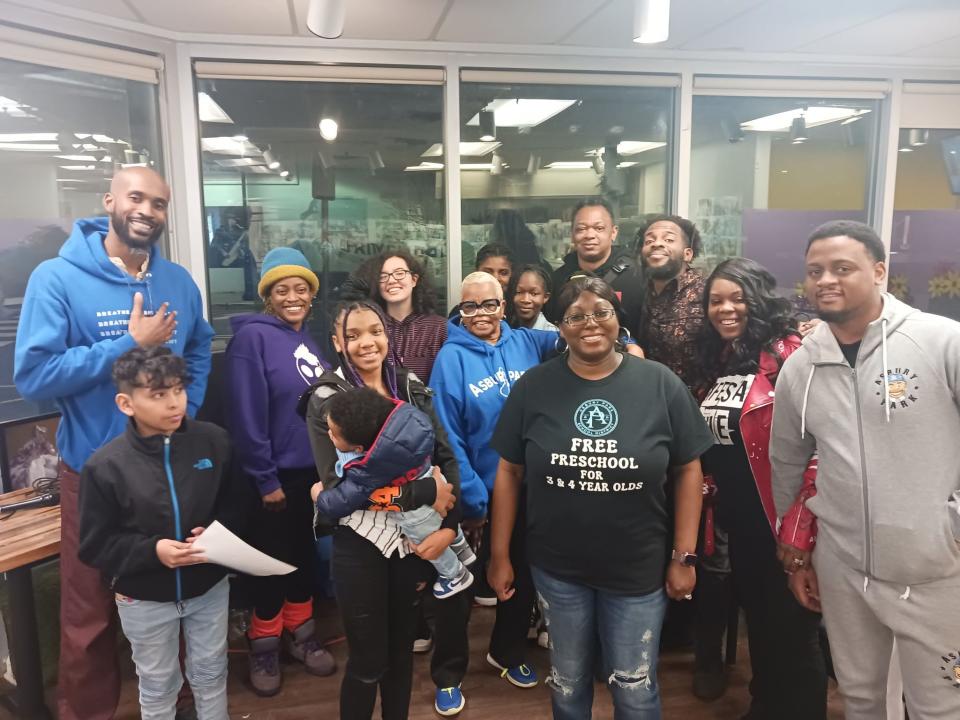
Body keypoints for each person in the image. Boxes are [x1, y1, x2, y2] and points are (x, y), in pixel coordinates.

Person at [13, 167, 214, 720]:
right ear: (109, 201)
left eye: (159, 202)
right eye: (136, 197)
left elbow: (198, 348)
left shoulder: (177, 282)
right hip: (94, 473)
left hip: (168, 471)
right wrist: (129, 342)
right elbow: (34, 377)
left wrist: (186, 409)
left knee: (176, 596)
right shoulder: (56, 278)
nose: (147, 210)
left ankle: (178, 706)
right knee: (89, 614)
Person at [487, 275, 712, 719]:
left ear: (617, 319)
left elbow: (689, 469)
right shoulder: (534, 387)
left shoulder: (660, 384)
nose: (589, 323)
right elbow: (510, 471)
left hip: (638, 570)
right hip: (557, 568)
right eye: (575, 316)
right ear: (561, 326)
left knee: (634, 687)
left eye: (601, 312)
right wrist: (498, 554)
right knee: (568, 685)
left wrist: (684, 557)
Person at [770, 220, 960, 720]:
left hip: (936, 567)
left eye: (842, 268)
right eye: (815, 271)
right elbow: (786, 458)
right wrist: (796, 548)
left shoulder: (941, 342)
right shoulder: (801, 366)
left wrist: (953, 526)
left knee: (939, 705)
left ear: (879, 272)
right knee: (859, 698)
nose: (825, 280)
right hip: (844, 565)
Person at [301, 298, 472, 719]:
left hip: (413, 544)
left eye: (375, 331)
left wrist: (448, 526)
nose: (366, 343)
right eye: (353, 335)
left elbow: (446, 457)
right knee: (366, 660)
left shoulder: (409, 386)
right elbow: (340, 485)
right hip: (358, 545)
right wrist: (423, 493)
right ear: (337, 342)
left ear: (387, 334)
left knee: (400, 656)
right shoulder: (326, 398)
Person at [697, 258, 827, 719]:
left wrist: (798, 531)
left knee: (794, 633)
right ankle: (765, 706)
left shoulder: (791, 352)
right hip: (743, 522)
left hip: (785, 521)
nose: (725, 309)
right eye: (716, 301)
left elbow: (818, 449)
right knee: (765, 627)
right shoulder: (725, 357)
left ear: (759, 299)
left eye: (737, 298)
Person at [78, 347, 238, 720]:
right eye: (158, 394)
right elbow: (95, 546)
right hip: (143, 598)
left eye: (178, 390)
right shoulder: (104, 467)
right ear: (126, 403)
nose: (173, 403)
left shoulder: (214, 441)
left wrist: (218, 531)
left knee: (212, 672)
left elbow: (237, 505)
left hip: (208, 587)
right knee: (157, 682)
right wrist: (154, 552)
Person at [430, 271, 561, 694]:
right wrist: (473, 499)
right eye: (470, 306)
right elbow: (446, 435)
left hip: (527, 491)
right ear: (461, 311)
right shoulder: (450, 359)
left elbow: (577, 332)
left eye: (489, 304)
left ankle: (506, 651)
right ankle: (449, 676)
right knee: (461, 589)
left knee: (518, 574)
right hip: (477, 495)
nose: (481, 313)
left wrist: (626, 340)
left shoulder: (527, 343)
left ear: (503, 306)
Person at [224, 246, 336, 696]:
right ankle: (264, 643)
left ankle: (302, 635)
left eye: (302, 288)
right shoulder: (252, 339)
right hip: (273, 480)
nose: (294, 296)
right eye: (282, 289)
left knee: (304, 561)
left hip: (312, 476)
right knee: (270, 566)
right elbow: (245, 414)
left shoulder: (307, 340)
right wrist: (265, 478)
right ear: (268, 296)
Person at [317, 387, 476, 598]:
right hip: (435, 477)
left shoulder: (369, 469)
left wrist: (320, 498)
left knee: (428, 542)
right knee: (442, 526)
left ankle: (455, 575)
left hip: (416, 514)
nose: (328, 434)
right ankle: (464, 551)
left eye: (334, 435)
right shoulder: (409, 420)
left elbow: (344, 500)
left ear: (358, 449)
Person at [546, 197, 644, 328]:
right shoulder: (558, 280)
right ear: (572, 234)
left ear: (613, 232)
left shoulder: (635, 276)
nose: (590, 235)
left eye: (599, 228)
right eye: (581, 229)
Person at [635, 214, 706, 390]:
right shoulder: (641, 293)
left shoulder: (708, 293)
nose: (657, 243)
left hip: (699, 407)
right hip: (655, 401)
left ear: (687, 254)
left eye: (668, 239)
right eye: (649, 240)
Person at [372, 248, 448, 381]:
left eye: (399, 273)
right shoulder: (372, 327)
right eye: (383, 276)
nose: (391, 280)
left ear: (414, 280)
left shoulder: (439, 328)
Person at [208, 212, 257, 301]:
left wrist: (241, 250)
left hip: (238, 258)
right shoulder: (220, 231)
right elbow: (215, 244)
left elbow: (245, 244)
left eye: (234, 219)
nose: (232, 221)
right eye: (230, 219)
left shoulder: (240, 231)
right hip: (225, 258)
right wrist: (223, 252)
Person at [506, 264, 557, 331]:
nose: (526, 300)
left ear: (545, 297)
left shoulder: (553, 335)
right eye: (519, 292)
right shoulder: (505, 330)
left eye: (534, 293)